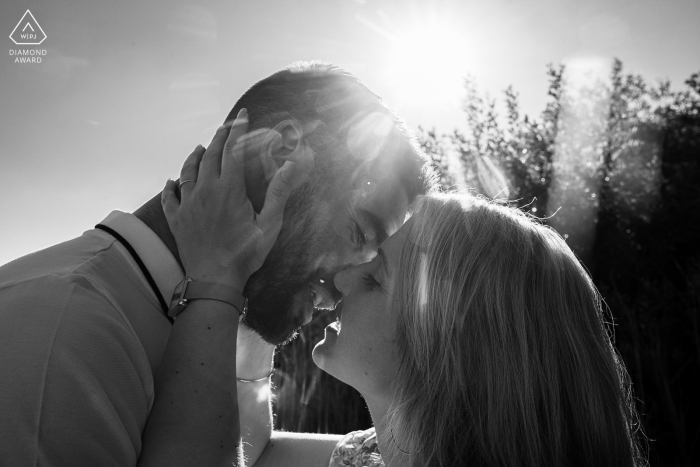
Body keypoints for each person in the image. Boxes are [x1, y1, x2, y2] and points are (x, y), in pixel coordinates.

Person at [0, 62, 433, 466]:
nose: (346, 284)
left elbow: (253, 453)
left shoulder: (207, 314)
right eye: (359, 232)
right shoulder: (61, 330)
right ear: (281, 157)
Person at [236, 194, 646, 467]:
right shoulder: (370, 457)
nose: (341, 280)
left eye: (375, 279)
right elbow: (254, 455)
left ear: (448, 348)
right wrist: (265, 298)